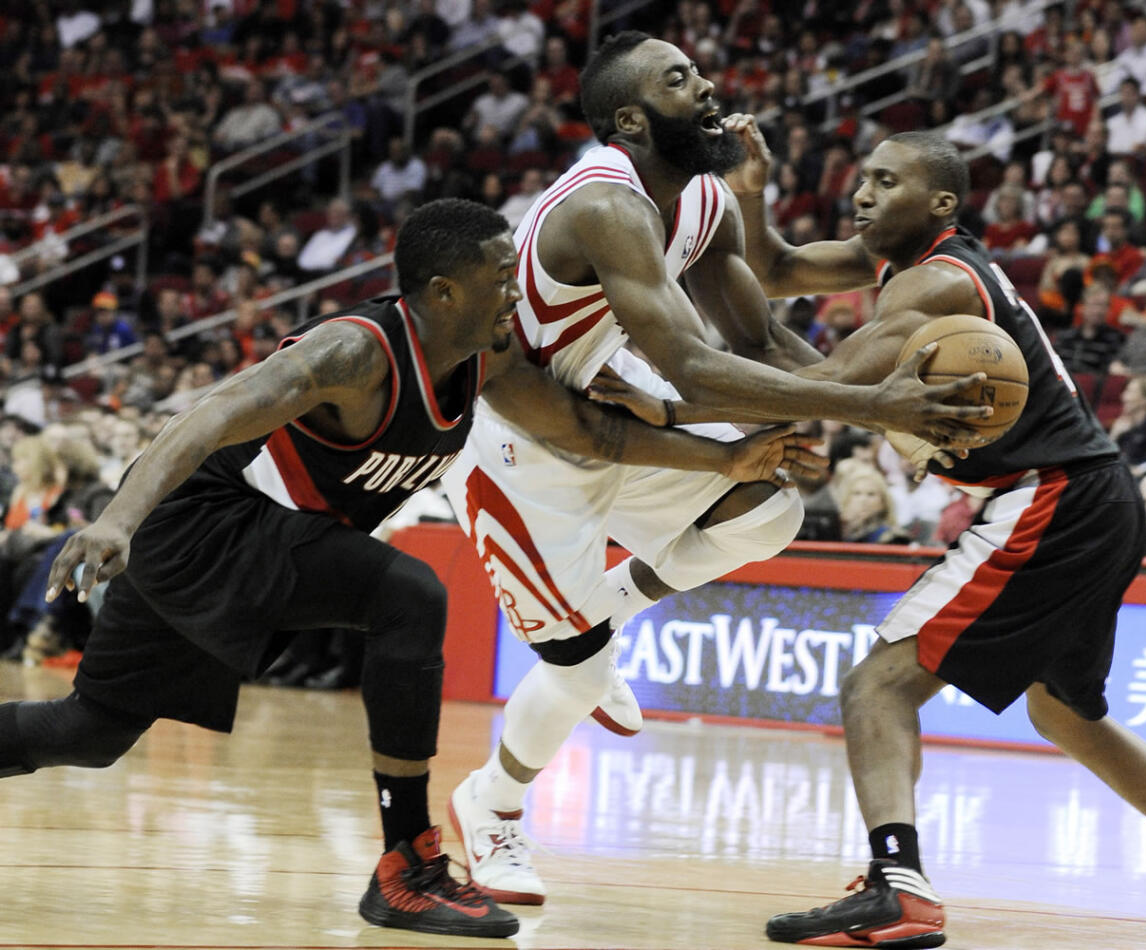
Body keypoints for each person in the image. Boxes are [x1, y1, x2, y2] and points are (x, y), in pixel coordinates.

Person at [0, 199, 824, 940]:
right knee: (408, 594)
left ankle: (408, 866)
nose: (519, 293)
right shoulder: (351, 353)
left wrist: (725, 461)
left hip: (270, 536)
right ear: (442, 292)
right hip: (211, 524)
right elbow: (208, 413)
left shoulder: (488, 360)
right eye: (503, 279)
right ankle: (407, 867)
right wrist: (115, 519)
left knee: (90, 733)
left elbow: (590, 436)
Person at [437, 32, 990, 909]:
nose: (707, 88)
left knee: (766, 508)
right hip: (524, 449)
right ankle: (492, 804)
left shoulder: (704, 198)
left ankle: (605, 608)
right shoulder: (606, 205)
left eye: (698, 71)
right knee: (576, 674)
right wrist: (878, 406)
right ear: (632, 118)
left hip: (615, 406)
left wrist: (872, 411)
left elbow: (758, 339)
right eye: (679, 79)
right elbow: (694, 373)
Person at [714, 119, 1146, 945]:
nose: (864, 191)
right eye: (864, 178)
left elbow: (826, 386)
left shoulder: (935, 286)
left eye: (887, 181)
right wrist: (748, 188)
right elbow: (773, 269)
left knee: (877, 686)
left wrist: (676, 375)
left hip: (1051, 495)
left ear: (941, 201)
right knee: (1066, 715)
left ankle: (899, 886)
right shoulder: (905, 260)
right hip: (1099, 496)